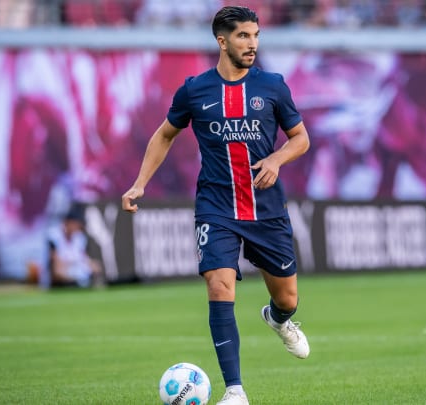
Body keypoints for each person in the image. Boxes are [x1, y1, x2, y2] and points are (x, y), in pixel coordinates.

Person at [121, 6, 310, 404]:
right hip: (216, 206)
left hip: (265, 210)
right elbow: (164, 135)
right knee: (219, 285)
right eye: (243, 36)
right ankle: (235, 391)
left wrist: (276, 159)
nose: (252, 44)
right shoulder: (195, 90)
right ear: (222, 41)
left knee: (287, 298)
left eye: (256, 35)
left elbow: (300, 139)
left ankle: (277, 320)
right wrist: (139, 184)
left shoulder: (273, 86)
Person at [44, 204, 102, 289]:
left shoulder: (79, 237)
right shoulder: (53, 237)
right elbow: (57, 268)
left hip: (76, 269)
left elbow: (84, 258)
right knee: (61, 271)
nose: (77, 227)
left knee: (96, 266)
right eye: (75, 224)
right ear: (68, 223)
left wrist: (89, 265)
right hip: (60, 277)